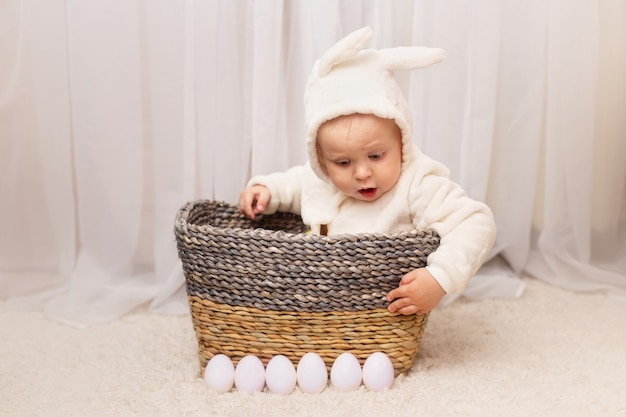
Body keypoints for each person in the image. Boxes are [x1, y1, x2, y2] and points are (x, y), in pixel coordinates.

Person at [239, 27, 496, 315]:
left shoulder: (417, 182)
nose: (362, 173)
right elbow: (295, 184)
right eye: (343, 162)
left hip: (378, 310)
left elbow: (475, 222)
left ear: (402, 141)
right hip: (317, 302)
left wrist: (440, 277)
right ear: (321, 160)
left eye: (376, 156)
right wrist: (265, 191)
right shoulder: (321, 179)